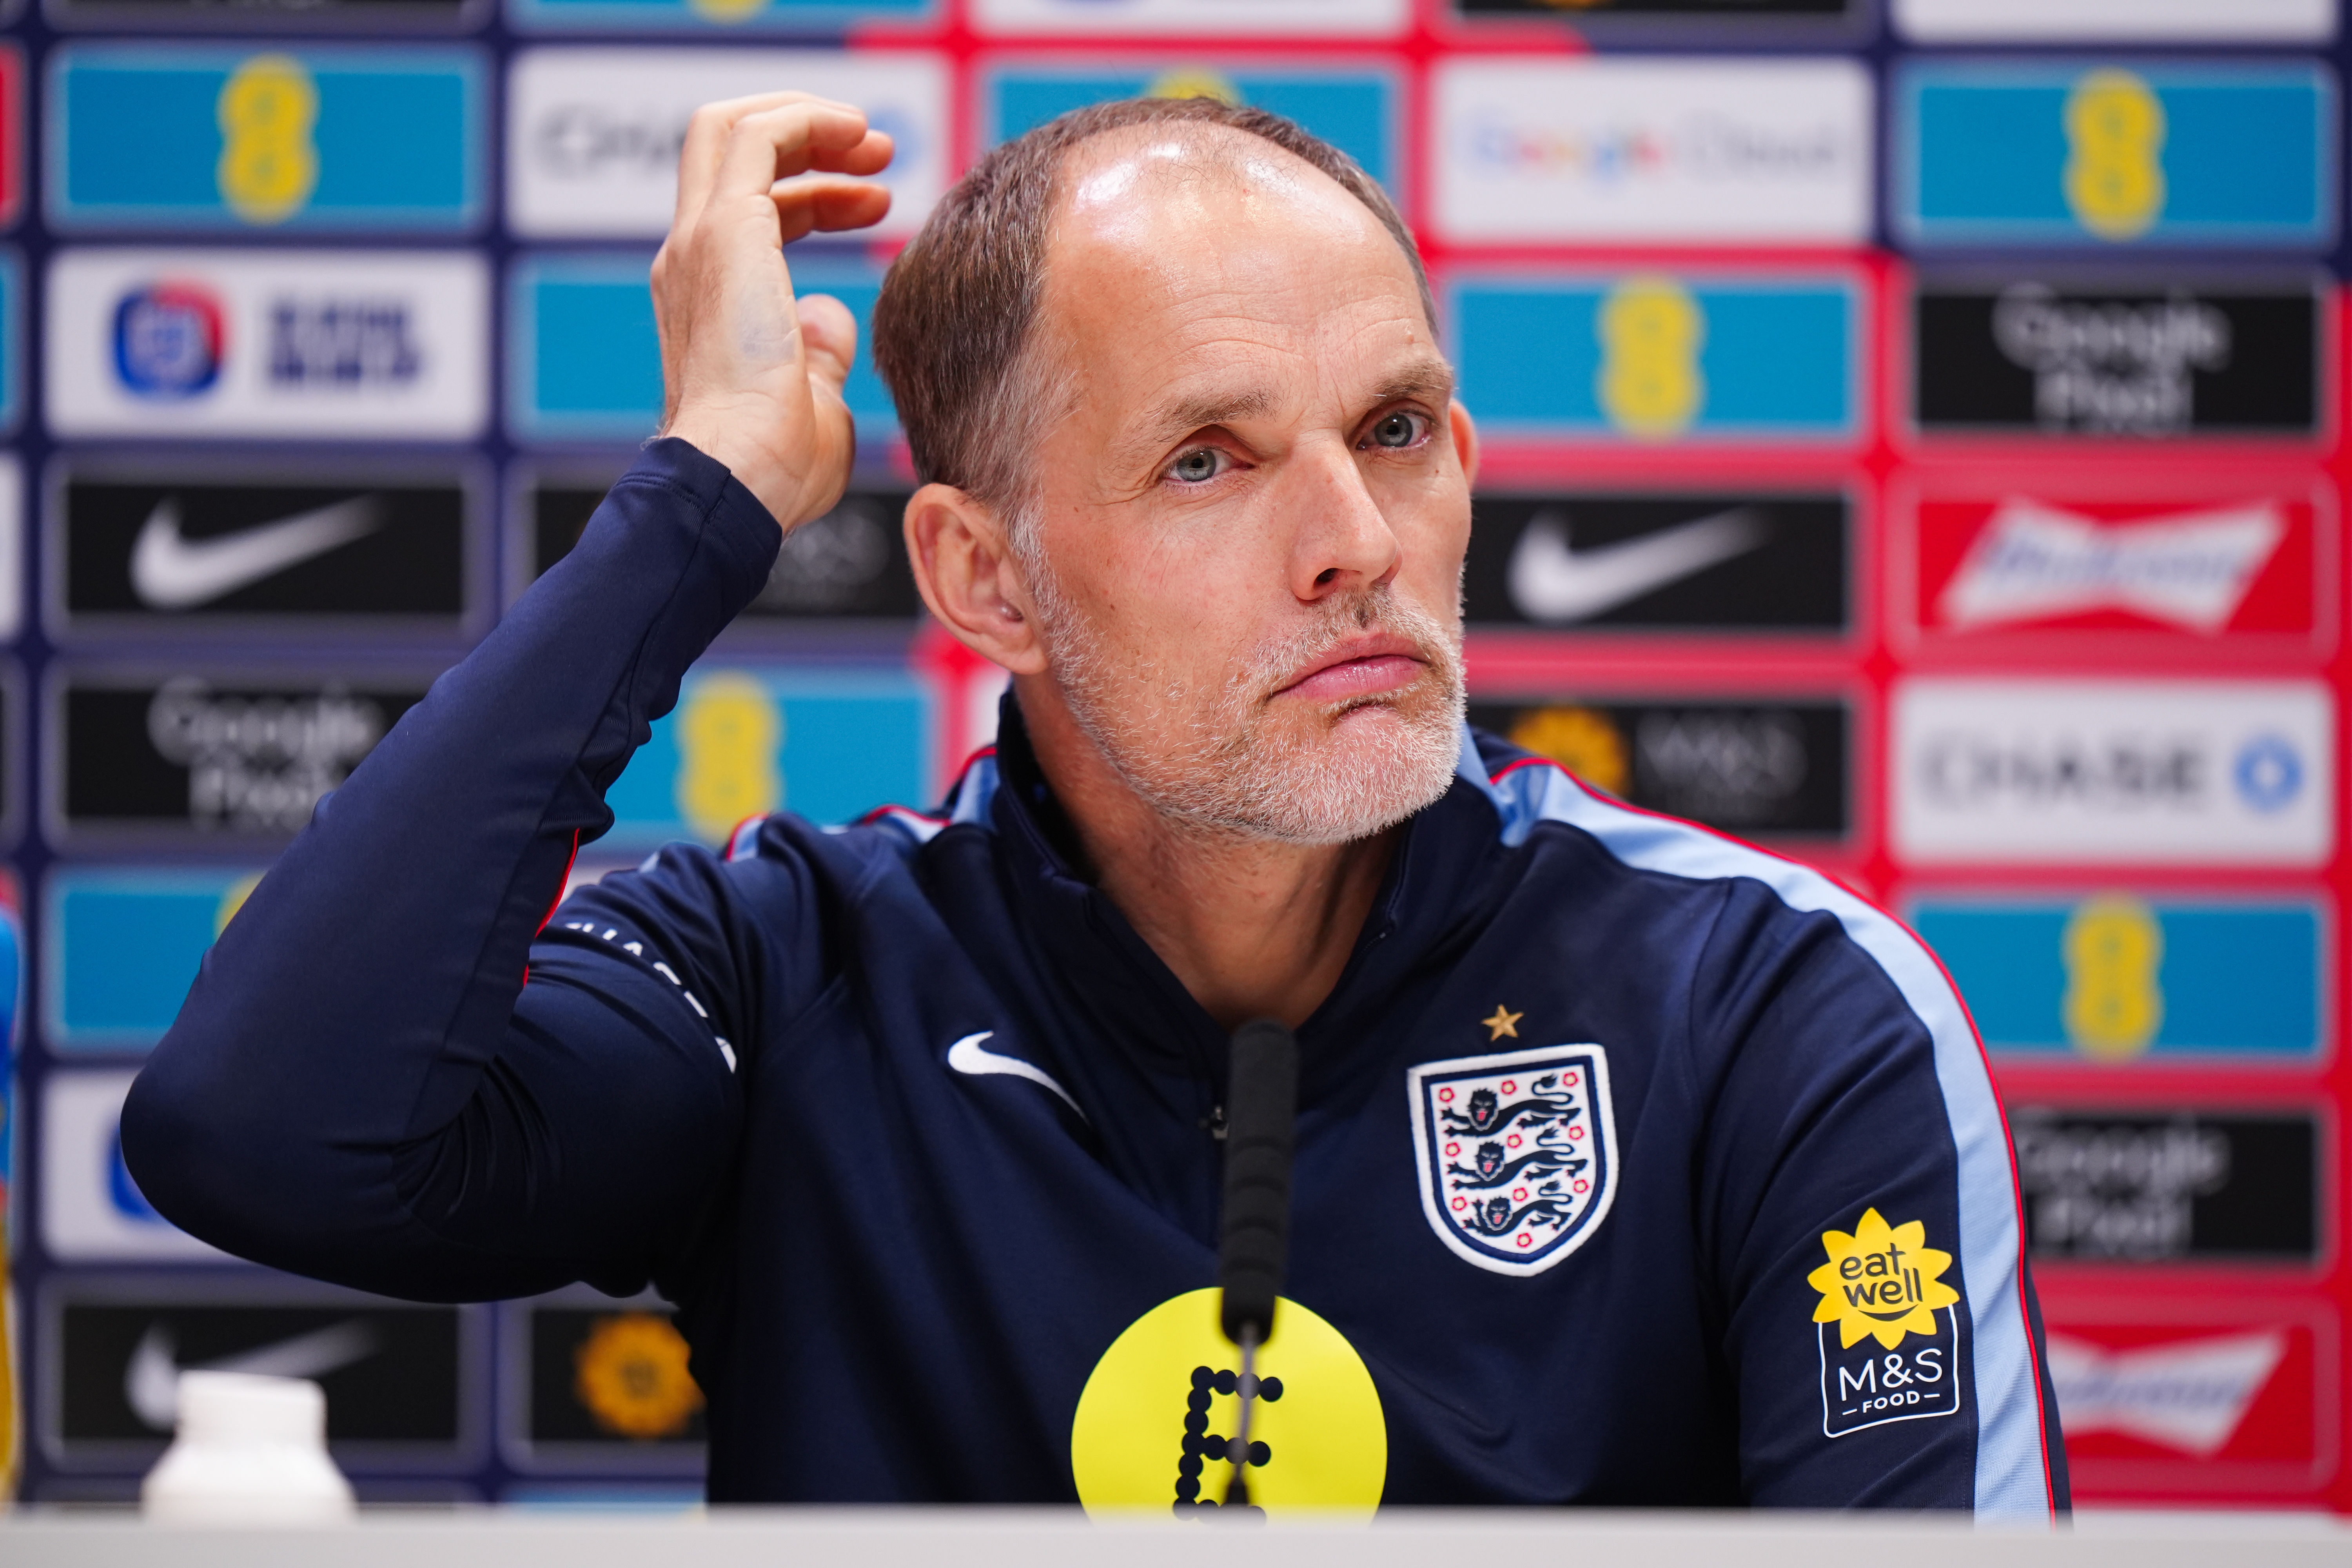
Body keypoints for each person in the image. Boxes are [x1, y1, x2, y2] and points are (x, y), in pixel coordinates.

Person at [123, 93, 2066, 1514]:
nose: (1353, 545)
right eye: (1210, 461)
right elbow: (266, 1133)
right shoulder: (791, 972)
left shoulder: (1774, 1010)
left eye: (1394, 434)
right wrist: (705, 497)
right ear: (984, 580)